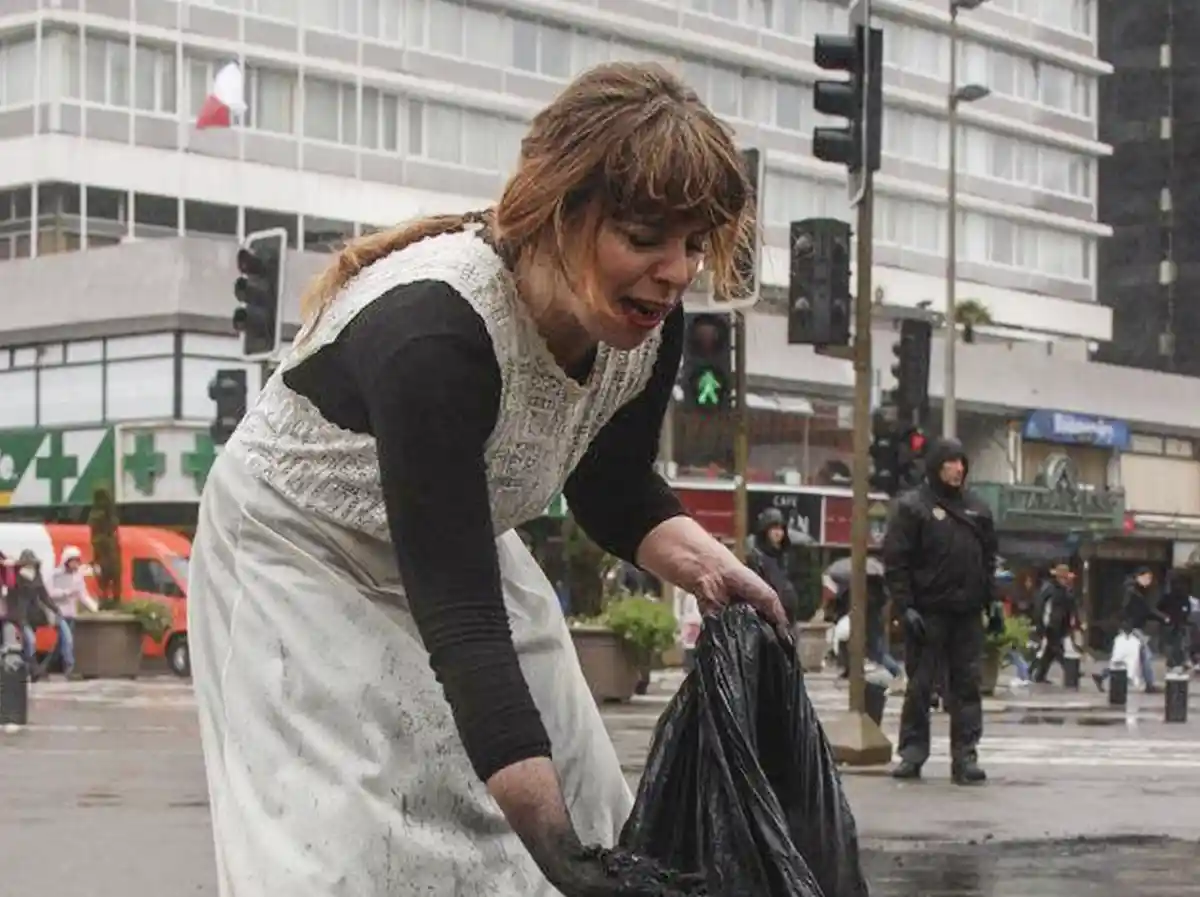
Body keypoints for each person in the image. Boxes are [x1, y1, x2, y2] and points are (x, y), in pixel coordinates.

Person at [188, 62, 785, 897]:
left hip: (456, 537)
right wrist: (557, 855)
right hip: (301, 551)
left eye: (693, 242)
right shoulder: (435, 333)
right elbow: (466, 624)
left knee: (590, 803)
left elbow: (610, 485)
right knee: (352, 846)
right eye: (645, 238)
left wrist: (707, 565)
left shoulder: (649, 321)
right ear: (560, 208)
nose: (676, 269)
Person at [882, 437, 1000, 785]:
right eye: (950, 462)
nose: (958, 469)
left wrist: (992, 601)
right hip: (928, 612)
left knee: (967, 687)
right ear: (936, 466)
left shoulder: (978, 508)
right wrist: (905, 607)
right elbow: (896, 561)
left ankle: (965, 757)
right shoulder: (912, 507)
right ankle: (912, 754)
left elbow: (989, 558)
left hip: (967, 613)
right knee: (920, 687)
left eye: (962, 463)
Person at [1093, 567, 1165, 694]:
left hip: (1133, 627)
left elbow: (1144, 610)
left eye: (1150, 578)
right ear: (1139, 577)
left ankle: (1103, 675)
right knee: (1143, 656)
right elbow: (1129, 610)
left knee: (1133, 657)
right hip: (1132, 628)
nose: (1149, 581)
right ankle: (1149, 684)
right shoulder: (1132, 592)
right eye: (1147, 578)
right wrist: (1127, 626)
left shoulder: (1136, 591)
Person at [48, 545, 99, 678]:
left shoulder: (78, 576)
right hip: (59, 613)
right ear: (66, 560)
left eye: (77, 561)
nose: (76, 564)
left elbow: (83, 594)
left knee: (62, 641)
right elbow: (50, 593)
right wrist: (66, 593)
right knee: (68, 639)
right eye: (73, 560)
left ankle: (48, 666)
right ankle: (69, 668)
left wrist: (94, 607)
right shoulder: (56, 575)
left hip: (71, 613)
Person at [9, 549, 59, 678]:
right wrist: (14, 615)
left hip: (36, 614)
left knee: (37, 643)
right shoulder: (16, 577)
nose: (29, 565)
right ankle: (32, 669)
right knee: (30, 641)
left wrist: (54, 608)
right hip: (21, 615)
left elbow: (43, 595)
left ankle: (32, 668)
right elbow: (11, 599)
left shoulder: (37, 575)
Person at [746, 506, 801, 623]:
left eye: (781, 529)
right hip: (764, 617)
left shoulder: (784, 556)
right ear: (765, 530)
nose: (778, 533)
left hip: (786, 617)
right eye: (774, 529)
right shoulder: (756, 557)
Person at [1030, 561, 1078, 684]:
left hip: (1060, 624)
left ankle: (1039, 675)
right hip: (1051, 625)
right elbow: (1041, 607)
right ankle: (1071, 671)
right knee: (1057, 649)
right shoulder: (1050, 589)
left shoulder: (1064, 590)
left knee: (1050, 652)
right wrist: (1040, 624)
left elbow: (1069, 607)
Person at [1158, 568, 1192, 670]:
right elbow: (1159, 608)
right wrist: (1164, 617)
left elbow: (1187, 610)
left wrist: (1184, 618)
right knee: (1169, 645)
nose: (1177, 586)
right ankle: (1171, 663)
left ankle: (1179, 662)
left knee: (1180, 644)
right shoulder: (1167, 597)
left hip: (1179, 624)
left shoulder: (1184, 598)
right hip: (1169, 625)